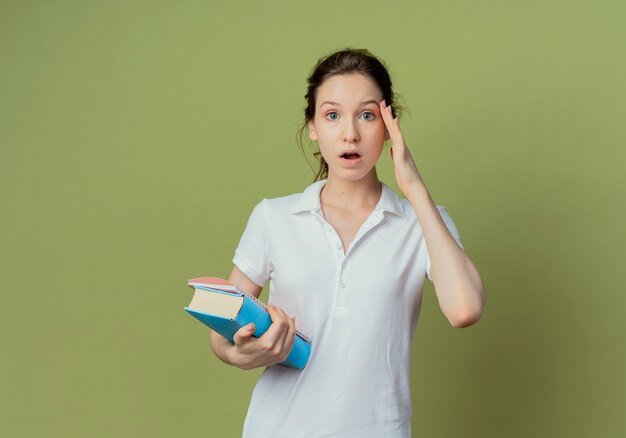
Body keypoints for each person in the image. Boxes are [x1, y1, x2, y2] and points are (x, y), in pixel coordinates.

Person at [209, 48, 486, 438]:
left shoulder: (421, 223)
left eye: (367, 115)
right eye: (333, 115)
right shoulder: (273, 217)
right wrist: (238, 353)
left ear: (389, 125)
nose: (350, 133)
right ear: (312, 126)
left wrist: (415, 188)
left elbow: (464, 309)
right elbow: (219, 329)